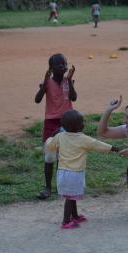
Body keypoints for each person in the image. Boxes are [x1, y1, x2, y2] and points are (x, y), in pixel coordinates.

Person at [46, 110, 119, 229]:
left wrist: (51, 136)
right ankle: (65, 222)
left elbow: (49, 145)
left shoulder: (60, 136)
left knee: (71, 196)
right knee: (70, 198)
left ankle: (74, 216)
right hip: (74, 174)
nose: (84, 124)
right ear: (78, 126)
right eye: (82, 122)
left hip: (63, 172)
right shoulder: (83, 138)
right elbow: (98, 145)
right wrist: (115, 149)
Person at [35, 53, 77, 200]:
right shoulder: (47, 82)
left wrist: (70, 81)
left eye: (64, 64)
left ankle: (62, 186)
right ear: (51, 68)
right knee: (50, 155)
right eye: (58, 65)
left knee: (64, 155)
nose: (63, 67)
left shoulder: (68, 81)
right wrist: (45, 83)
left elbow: (73, 98)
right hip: (51, 122)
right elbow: (37, 100)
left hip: (67, 121)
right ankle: (47, 187)